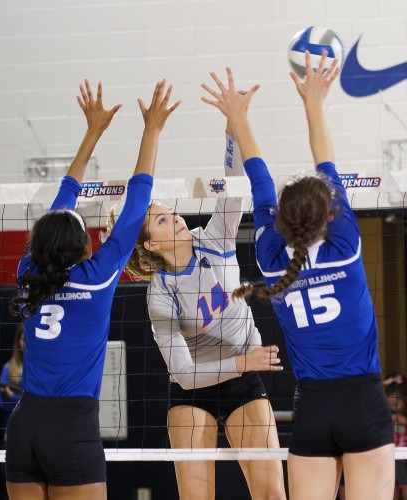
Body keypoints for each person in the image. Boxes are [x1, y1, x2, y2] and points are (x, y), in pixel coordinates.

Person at [201, 53, 395, 500]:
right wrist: (314, 101)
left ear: (281, 219)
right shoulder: (344, 244)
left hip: (313, 409)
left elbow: (259, 178)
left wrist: (237, 116)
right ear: (331, 214)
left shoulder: (269, 254)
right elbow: (324, 159)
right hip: (362, 404)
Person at [7, 79, 180, 500]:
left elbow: (62, 204)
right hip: (71, 428)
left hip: (24, 425)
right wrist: (152, 130)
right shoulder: (98, 276)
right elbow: (138, 200)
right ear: (86, 246)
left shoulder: (27, 271)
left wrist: (92, 132)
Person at [110, 116, 287, 499]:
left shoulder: (216, 239)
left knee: (272, 493)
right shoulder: (160, 294)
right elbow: (187, 375)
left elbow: (235, 187)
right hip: (194, 392)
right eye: (161, 220)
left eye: (170, 212)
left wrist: (232, 127)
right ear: (151, 245)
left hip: (243, 385)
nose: (174, 218)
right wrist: (244, 361)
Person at [384, 372, 407, 499]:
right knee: (391, 492)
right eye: (389, 405)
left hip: (405, 461)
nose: (392, 408)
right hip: (391, 460)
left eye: (396, 404)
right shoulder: (387, 415)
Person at [0, 324, 24, 440]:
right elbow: (3, 405)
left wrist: (14, 397)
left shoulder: (42, 368)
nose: (25, 343)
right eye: (23, 339)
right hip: (13, 431)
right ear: (18, 340)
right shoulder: (8, 368)